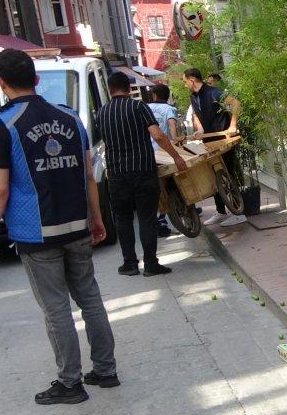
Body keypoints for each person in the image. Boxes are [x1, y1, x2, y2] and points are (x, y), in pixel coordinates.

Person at [0, 49, 116, 405]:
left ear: (0, 83)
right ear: (37, 79)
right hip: (77, 225)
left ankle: (70, 383)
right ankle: (105, 369)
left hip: (35, 233)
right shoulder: (70, 118)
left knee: (56, 308)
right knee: (90, 298)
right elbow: (88, 176)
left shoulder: (3, 124)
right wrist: (97, 218)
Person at [98, 72, 187, 276]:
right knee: (147, 218)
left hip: (116, 174)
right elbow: (157, 135)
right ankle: (150, 264)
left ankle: (129, 263)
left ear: (110, 90)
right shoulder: (138, 107)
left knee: (122, 219)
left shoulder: (102, 112)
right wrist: (176, 157)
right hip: (142, 171)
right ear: (128, 89)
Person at [182, 68, 245, 227]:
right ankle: (221, 212)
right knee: (213, 175)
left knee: (227, 173)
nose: (184, 85)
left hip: (223, 140)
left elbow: (236, 103)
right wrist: (200, 130)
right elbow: (197, 115)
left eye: (184, 81)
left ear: (192, 79)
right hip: (208, 141)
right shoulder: (193, 97)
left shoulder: (213, 92)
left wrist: (233, 125)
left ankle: (239, 213)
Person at [146, 84, 179, 238]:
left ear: (154, 95)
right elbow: (172, 127)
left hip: (148, 154)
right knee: (172, 183)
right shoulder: (169, 109)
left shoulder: (145, 108)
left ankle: (160, 219)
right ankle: (168, 216)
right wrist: (176, 144)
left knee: (157, 188)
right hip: (164, 153)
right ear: (167, 96)